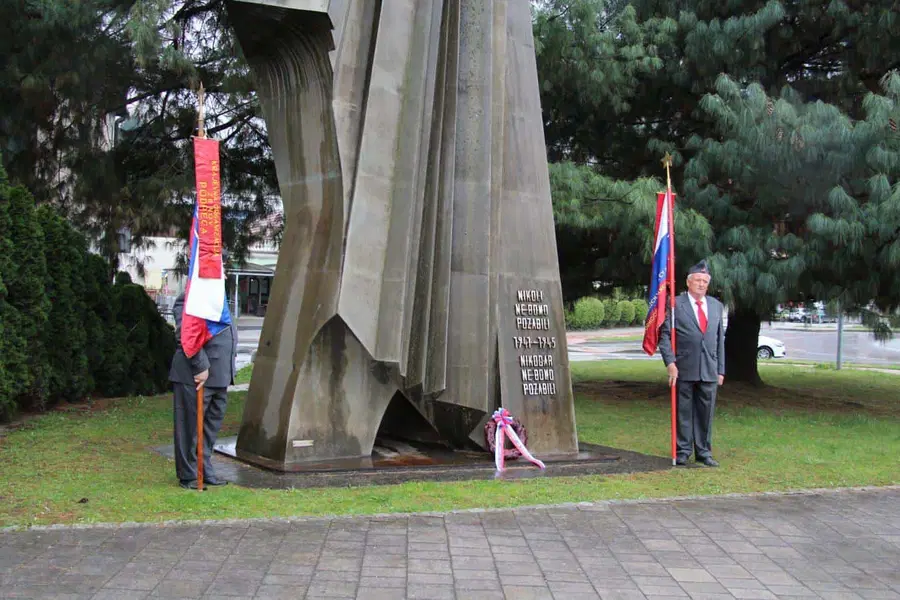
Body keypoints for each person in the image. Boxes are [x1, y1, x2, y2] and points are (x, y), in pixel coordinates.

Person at [659, 260, 726, 467]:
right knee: (684, 412)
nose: (701, 284)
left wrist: (721, 369)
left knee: (706, 413)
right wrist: (670, 362)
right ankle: (683, 450)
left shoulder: (715, 305)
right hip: (684, 367)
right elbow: (665, 336)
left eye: (705, 281)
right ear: (688, 282)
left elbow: (719, 339)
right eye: (698, 280)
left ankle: (704, 452)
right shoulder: (675, 304)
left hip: (709, 368)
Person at [169, 293, 238, 489]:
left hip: (220, 376)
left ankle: (203, 467)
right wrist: (200, 365)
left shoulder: (218, 294)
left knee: (209, 429)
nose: (223, 273)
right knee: (189, 428)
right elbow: (186, 333)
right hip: (196, 374)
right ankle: (189, 475)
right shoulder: (193, 293)